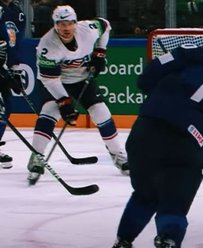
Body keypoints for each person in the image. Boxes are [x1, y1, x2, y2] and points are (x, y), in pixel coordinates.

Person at [96, 35, 203, 248]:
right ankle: (167, 243)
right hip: (188, 144)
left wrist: (163, 97)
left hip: (147, 129)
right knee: (174, 201)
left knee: (145, 195)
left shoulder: (196, 53)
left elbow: (146, 79)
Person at [27, 5, 129, 183]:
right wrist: (64, 101)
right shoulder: (47, 45)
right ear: (55, 25)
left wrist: (100, 52)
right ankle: (36, 157)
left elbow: (105, 25)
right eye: (60, 24)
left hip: (82, 79)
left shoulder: (87, 30)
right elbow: (50, 80)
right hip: (56, 82)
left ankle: (119, 156)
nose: (65, 28)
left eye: (69, 23)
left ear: (75, 23)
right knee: (49, 111)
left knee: (101, 112)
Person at [0, 0, 26, 169]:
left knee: (7, 105)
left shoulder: (18, 13)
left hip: (4, 65)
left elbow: (14, 44)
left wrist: (15, 69)